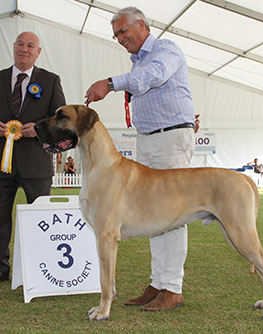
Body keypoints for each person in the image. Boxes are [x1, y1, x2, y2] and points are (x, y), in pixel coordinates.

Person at [85, 7, 198, 311]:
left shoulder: (164, 50)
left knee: (173, 215)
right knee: (154, 215)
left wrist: (109, 83)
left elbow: (155, 76)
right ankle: (158, 283)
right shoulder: (137, 61)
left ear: (143, 26)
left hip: (170, 138)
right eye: (116, 35)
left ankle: (172, 289)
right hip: (148, 139)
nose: (120, 39)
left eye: (123, 32)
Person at [0, 32, 66, 282]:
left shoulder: (50, 80)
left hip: (36, 164)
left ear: (38, 52)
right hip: (2, 163)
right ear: (13, 47)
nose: (24, 49)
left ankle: (42, 267)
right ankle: (1, 269)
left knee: (42, 221)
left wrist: (39, 129)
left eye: (30, 46)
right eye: (20, 44)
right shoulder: (0, 78)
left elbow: (61, 119)